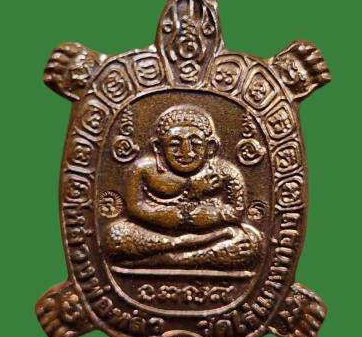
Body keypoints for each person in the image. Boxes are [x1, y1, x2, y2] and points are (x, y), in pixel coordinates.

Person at [105, 105, 262, 269]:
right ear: (158, 146)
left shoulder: (225, 172)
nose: (186, 151)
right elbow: (134, 208)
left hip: (213, 233)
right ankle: (181, 249)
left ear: (210, 147)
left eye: (195, 143)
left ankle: (169, 260)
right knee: (116, 236)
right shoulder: (143, 170)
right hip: (156, 235)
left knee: (249, 241)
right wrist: (181, 214)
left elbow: (236, 212)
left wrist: (212, 216)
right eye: (175, 144)